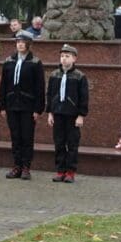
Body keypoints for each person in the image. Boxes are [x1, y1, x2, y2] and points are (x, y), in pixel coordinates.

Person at [0, 31, 46, 180]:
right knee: (15, 137)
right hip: (12, 105)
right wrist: (2, 105)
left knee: (27, 137)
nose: (19, 44)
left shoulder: (35, 63)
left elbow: (40, 87)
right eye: (18, 41)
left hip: (28, 106)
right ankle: (16, 166)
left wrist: (38, 108)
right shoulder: (9, 61)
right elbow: (3, 85)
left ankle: (26, 167)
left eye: (23, 41)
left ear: (28, 44)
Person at [46, 44, 89, 183]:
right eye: (62, 56)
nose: (64, 59)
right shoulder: (54, 75)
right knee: (59, 143)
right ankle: (60, 170)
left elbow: (84, 97)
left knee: (72, 144)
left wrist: (81, 115)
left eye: (67, 56)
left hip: (72, 115)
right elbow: (50, 94)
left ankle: (70, 171)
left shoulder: (79, 77)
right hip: (58, 113)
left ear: (74, 58)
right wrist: (50, 113)